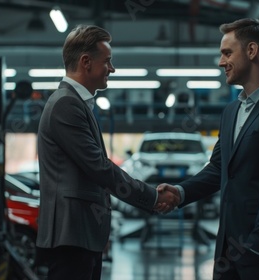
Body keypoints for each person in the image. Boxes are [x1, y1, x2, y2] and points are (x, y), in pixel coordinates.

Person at [158, 18, 259, 279]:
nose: (220, 62)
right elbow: (219, 168)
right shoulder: (231, 111)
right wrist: (181, 192)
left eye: (227, 53)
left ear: (252, 51)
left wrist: (257, 246)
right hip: (228, 248)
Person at [36, 24, 179, 280]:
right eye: (108, 61)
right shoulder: (66, 104)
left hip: (81, 234)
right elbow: (99, 168)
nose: (112, 69)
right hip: (72, 235)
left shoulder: (75, 103)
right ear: (86, 62)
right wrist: (152, 197)